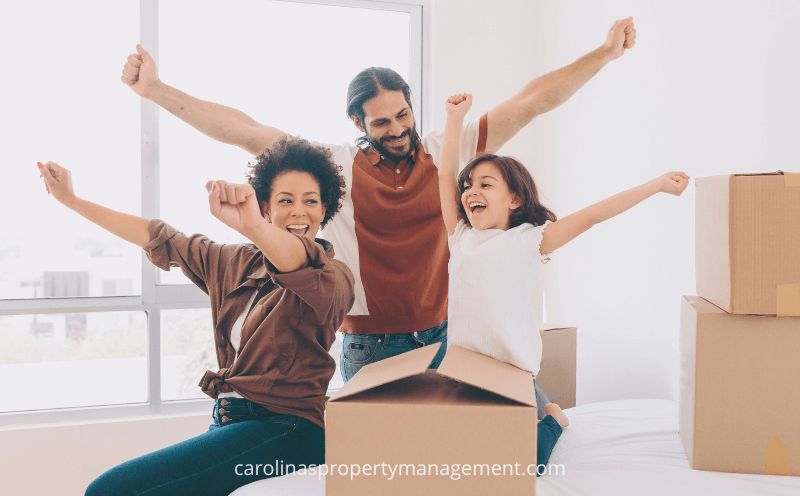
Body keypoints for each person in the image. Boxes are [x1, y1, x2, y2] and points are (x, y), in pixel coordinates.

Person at [119, 18, 637, 385]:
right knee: (383, 466)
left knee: (444, 458)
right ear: (358, 124)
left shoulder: (444, 154)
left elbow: (530, 101)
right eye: (382, 122)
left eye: (403, 115)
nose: (398, 130)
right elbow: (246, 130)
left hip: (444, 333)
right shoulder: (336, 167)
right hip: (370, 346)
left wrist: (604, 54)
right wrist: (157, 90)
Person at [36, 137, 354, 496]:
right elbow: (160, 237)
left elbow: (295, 261)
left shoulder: (333, 278)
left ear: (325, 208)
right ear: (267, 205)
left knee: (107, 493)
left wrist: (253, 225)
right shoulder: (235, 262)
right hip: (229, 422)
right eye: (286, 200)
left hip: (288, 432)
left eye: (311, 200)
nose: (300, 211)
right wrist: (72, 200)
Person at [437, 93, 689, 468]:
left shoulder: (529, 240)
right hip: (465, 370)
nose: (471, 191)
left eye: (486, 185)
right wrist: (455, 120)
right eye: (469, 185)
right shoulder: (460, 236)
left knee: (526, 462)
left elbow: (593, 216)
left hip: (511, 374)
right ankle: (538, 408)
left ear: (514, 200)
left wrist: (656, 185)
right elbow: (444, 174)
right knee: (453, 452)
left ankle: (553, 415)